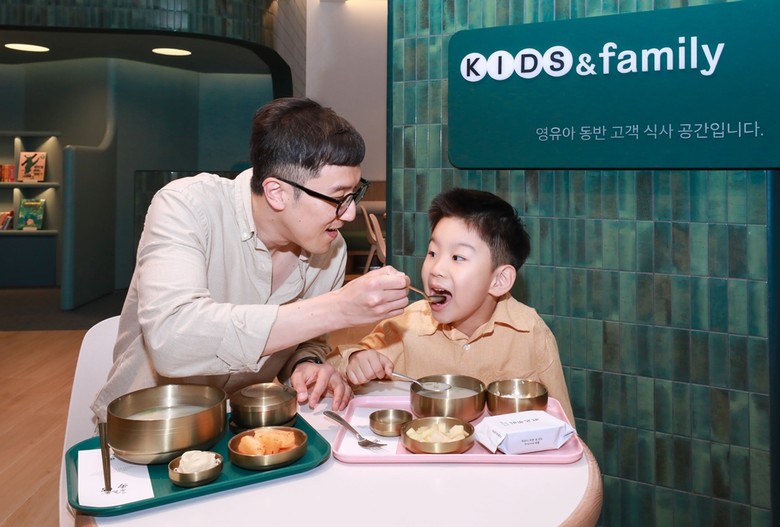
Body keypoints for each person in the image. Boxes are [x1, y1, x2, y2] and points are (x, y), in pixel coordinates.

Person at [91, 97, 411, 421]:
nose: (351, 213)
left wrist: (306, 364)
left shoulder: (331, 249)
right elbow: (173, 340)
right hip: (141, 429)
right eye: (339, 198)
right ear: (276, 193)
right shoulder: (186, 207)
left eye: (355, 194)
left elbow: (307, 341)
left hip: (236, 427)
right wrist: (337, 308)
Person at [327, 188, 575, 425]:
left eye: (458, 257)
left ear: (499, 280)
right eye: (432, 253)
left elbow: (562, 423)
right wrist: (356, 360)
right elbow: (333, 366)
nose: (436, 269)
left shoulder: (530, 332)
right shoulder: (406, 325)